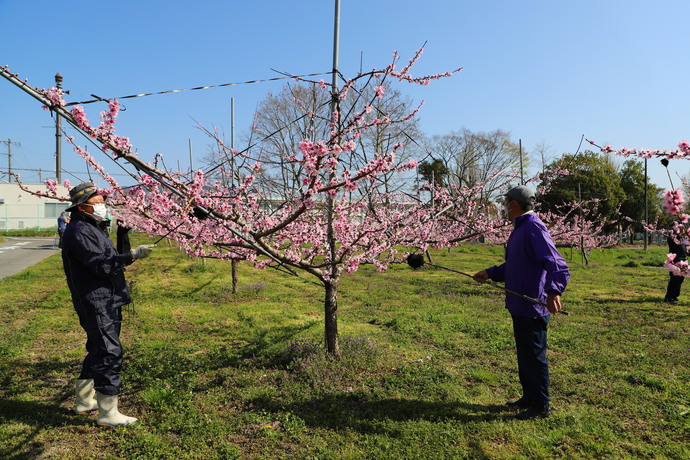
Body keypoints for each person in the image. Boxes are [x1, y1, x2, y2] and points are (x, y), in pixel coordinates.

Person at [473, 185, 570, 420]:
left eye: (505, 202)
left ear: (513, 204)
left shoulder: (533, 227)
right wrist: (490, 272)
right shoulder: (520, 228)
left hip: (532, 304)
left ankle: (542, 405)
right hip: (518, 303)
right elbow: (517, 264)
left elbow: (556, 263)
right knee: (525, 353)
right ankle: (529, 396)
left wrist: (553, 291)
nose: (503, 207)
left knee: (535, 355)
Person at [62, 182, 154, 427]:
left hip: (110, 297)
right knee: (109, 352)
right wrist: (132, 254)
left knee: (98, 348)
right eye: (98, 202)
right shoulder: (79, 230)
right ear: (82, 207)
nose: (103, 206)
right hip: (96, 300)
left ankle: (84, 402)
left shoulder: (95, 227)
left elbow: (116, 261)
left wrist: (123, 235)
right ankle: (108, 413)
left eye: (103, 201)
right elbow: (100, 265)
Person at [664, 223, 688, 303]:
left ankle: (675, 296)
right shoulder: (672, 236)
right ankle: (669, 297)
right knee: (675, 279)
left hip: (683, 260)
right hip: (676, 260)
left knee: (680, 279)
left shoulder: (682, 238)